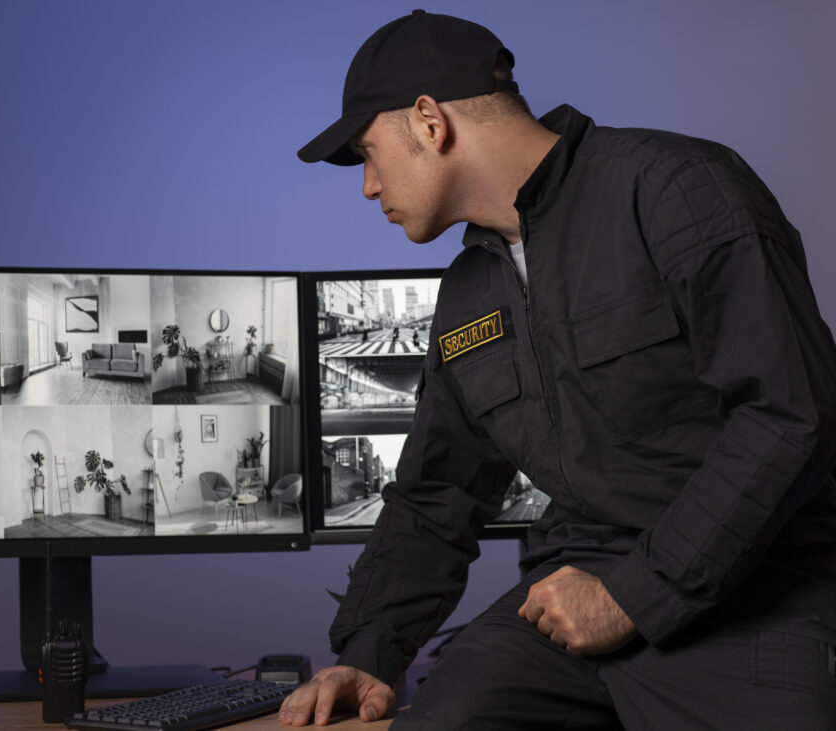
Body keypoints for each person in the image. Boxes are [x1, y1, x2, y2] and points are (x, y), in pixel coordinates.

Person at [283, 9, 836, 729]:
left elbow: (790, 414)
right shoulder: (466, 296)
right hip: (567, 609)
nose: (366, 185)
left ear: (428, 121)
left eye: (367, 151)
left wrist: (633, 594)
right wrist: (367, 651)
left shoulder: (676, 191)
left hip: (758, 595)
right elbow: (436, 492)